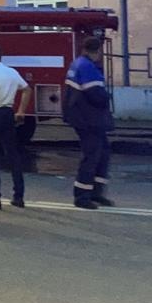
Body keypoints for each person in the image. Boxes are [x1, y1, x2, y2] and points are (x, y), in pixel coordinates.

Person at [0, 43, 32, 209]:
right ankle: (19, 196)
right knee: (13, 154)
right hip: (8, 113)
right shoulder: (12, 72)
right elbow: (27, 89)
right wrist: (21, 111)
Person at [64, 37, 114, 210]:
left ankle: (95, 192)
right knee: (92, 156)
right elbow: (96, 95)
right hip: (89, 119)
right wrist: (107, 97)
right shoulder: (87, 67)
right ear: (98, 51)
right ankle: (82, 196)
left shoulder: (78, 64)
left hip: (84, 118)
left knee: (102, 153)